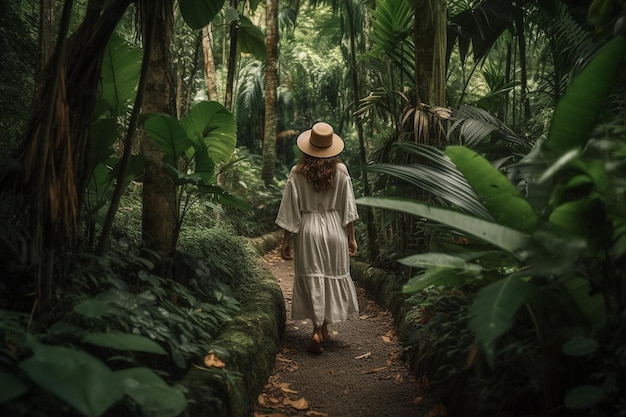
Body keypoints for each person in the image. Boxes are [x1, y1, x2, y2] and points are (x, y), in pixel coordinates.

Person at [275, 121, 360, 354]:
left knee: (314, 276)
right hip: (335, 229)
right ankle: (324, 329)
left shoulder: (296, 172)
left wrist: (285, 242)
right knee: (330, 275)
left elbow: (289, 209)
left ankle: (317, 329)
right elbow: (348, 208)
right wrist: (351, 237)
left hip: (307, 229)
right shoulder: (341, 171)